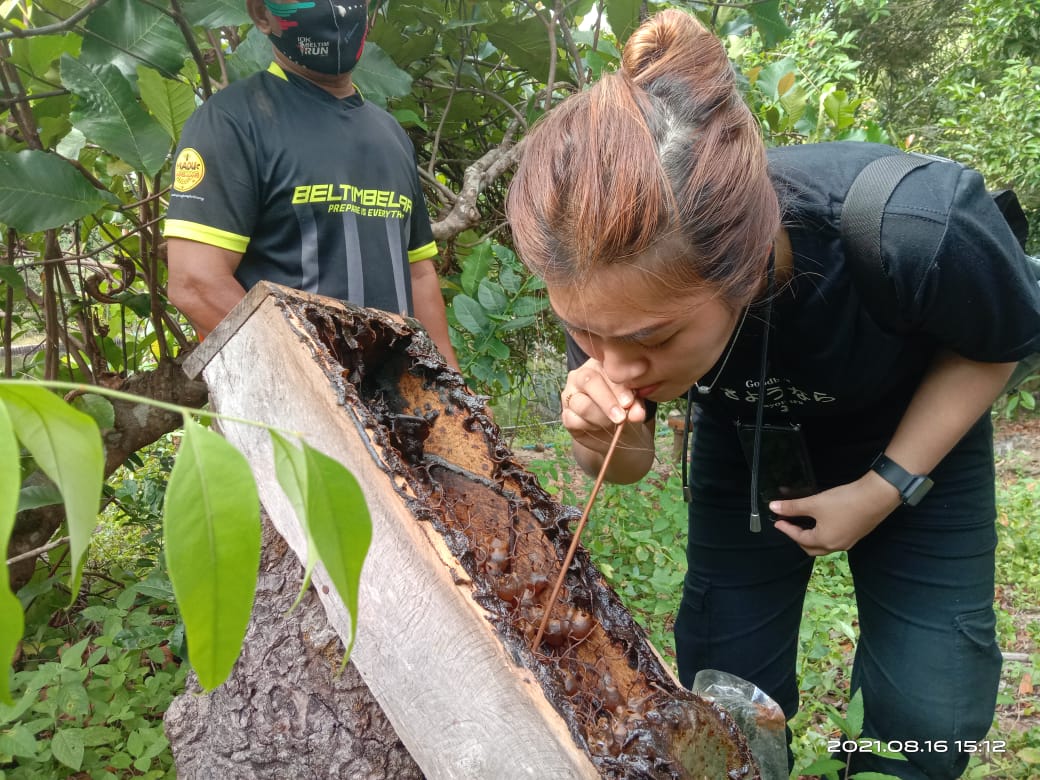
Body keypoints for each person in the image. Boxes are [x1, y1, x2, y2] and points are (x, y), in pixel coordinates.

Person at [505, 9, 1040, 779]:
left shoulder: (917, 225)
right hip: (751, 437)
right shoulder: (604, 280)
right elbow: (627, 462)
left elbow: (999, 347)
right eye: (586, 334)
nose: (615, 366)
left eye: (653, 341)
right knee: (725, 685)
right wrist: (598, 439)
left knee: (932, 705)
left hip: (916, 429)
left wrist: (886, 487)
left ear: (745, 263)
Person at [165, 0, 459, 371]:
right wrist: (321, 379)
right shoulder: (231, 123)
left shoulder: (391, 135)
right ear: (261, 13)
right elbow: (195, 283)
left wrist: (453, 393)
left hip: (398, 410)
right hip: (287, 412)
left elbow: (418, 274)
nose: (336, 9)